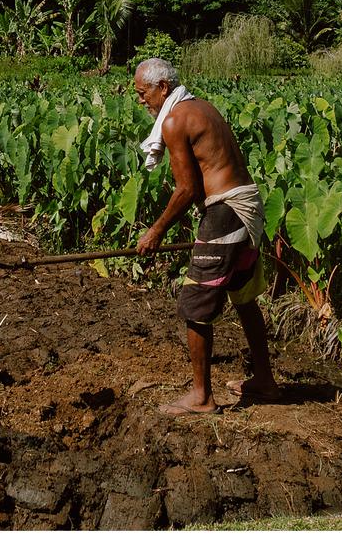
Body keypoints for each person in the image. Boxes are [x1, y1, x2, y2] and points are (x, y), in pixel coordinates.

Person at [132, 57, 277, 415]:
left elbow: (187, 189)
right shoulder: (201, 106)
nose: (141, 100)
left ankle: (201, 397)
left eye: (143, 92)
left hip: (227, 209)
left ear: (162, 87)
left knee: (195, 304)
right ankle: (265, 380)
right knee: (242, 296)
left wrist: (156, 231)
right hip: (246, 205)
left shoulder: (175, 119)